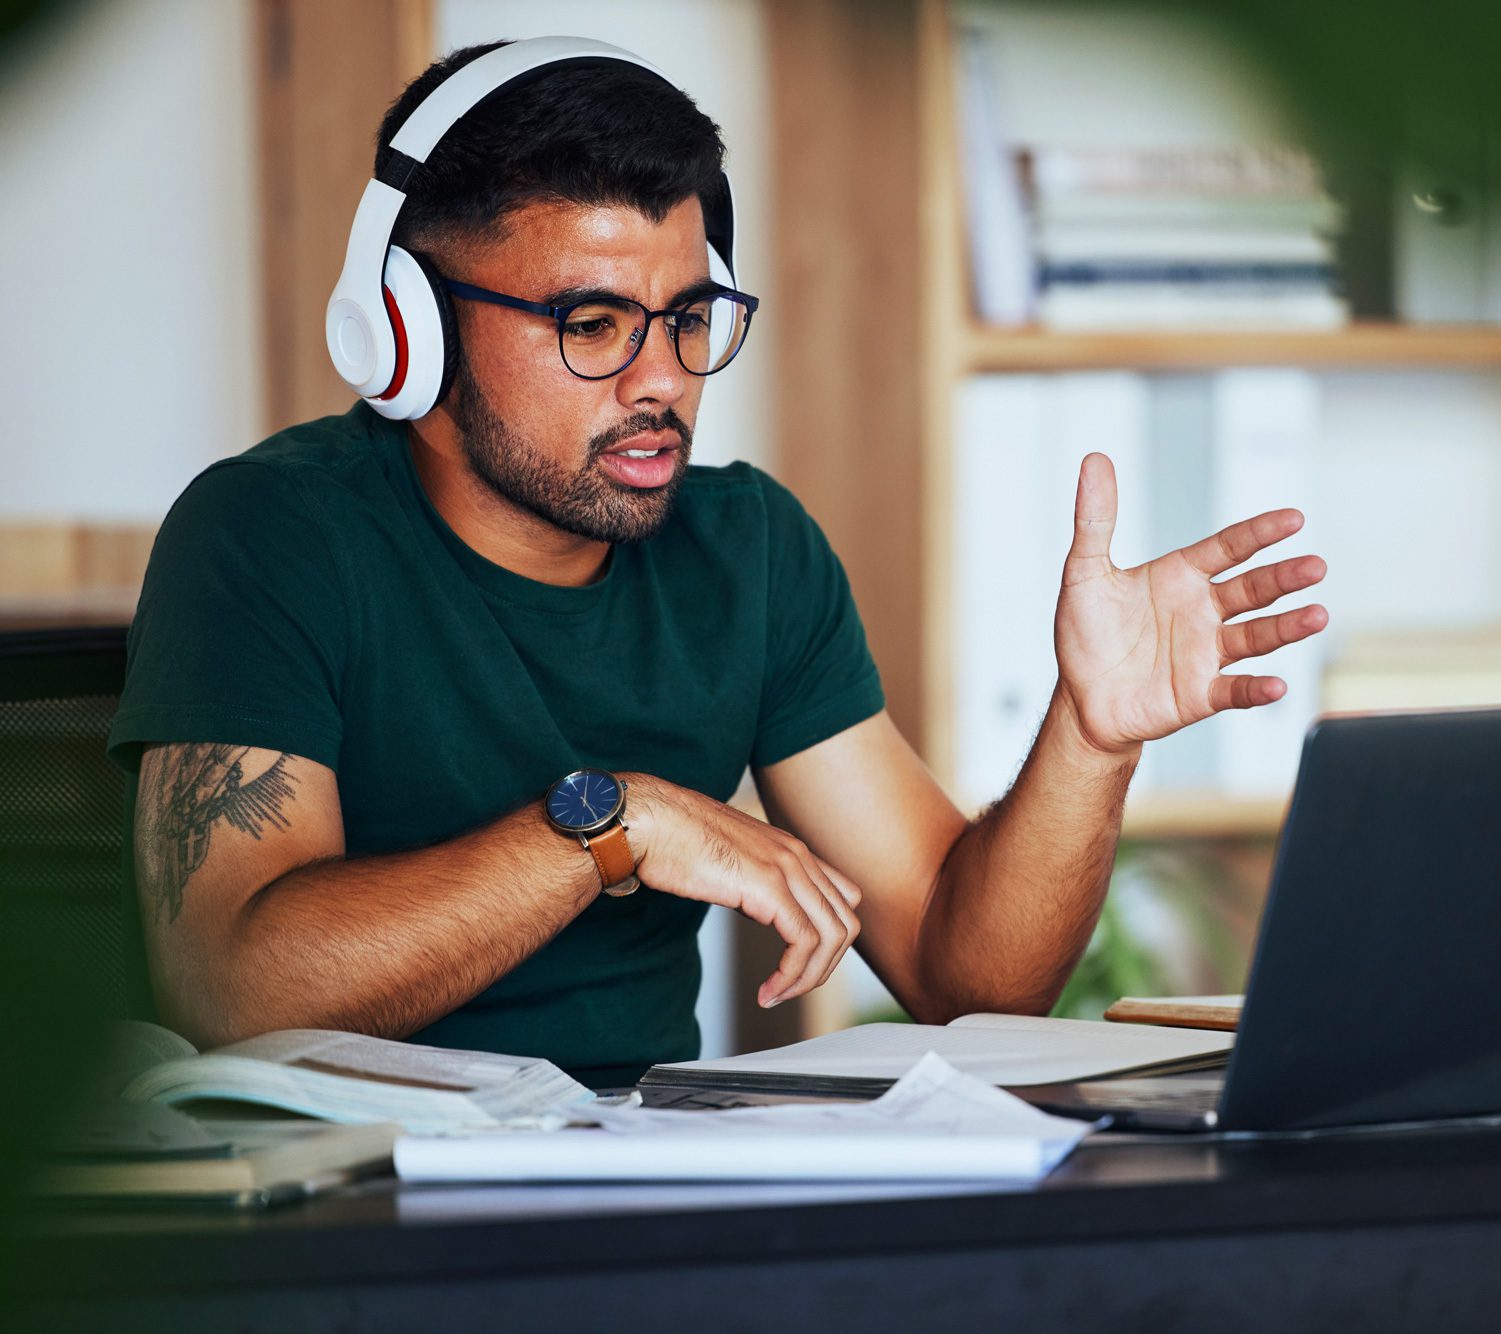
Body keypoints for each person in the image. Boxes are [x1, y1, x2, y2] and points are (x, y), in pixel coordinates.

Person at [109, 39, 1328, 1085]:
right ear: (405, 328)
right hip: (348, 1214)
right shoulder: (266, 536)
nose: (659, 381)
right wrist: (608, 825)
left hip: (639, 1192)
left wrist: (1090, 737)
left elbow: (965, 973)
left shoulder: (745, 546)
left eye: (690, 318)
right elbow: (234, 989)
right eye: (591, 324)